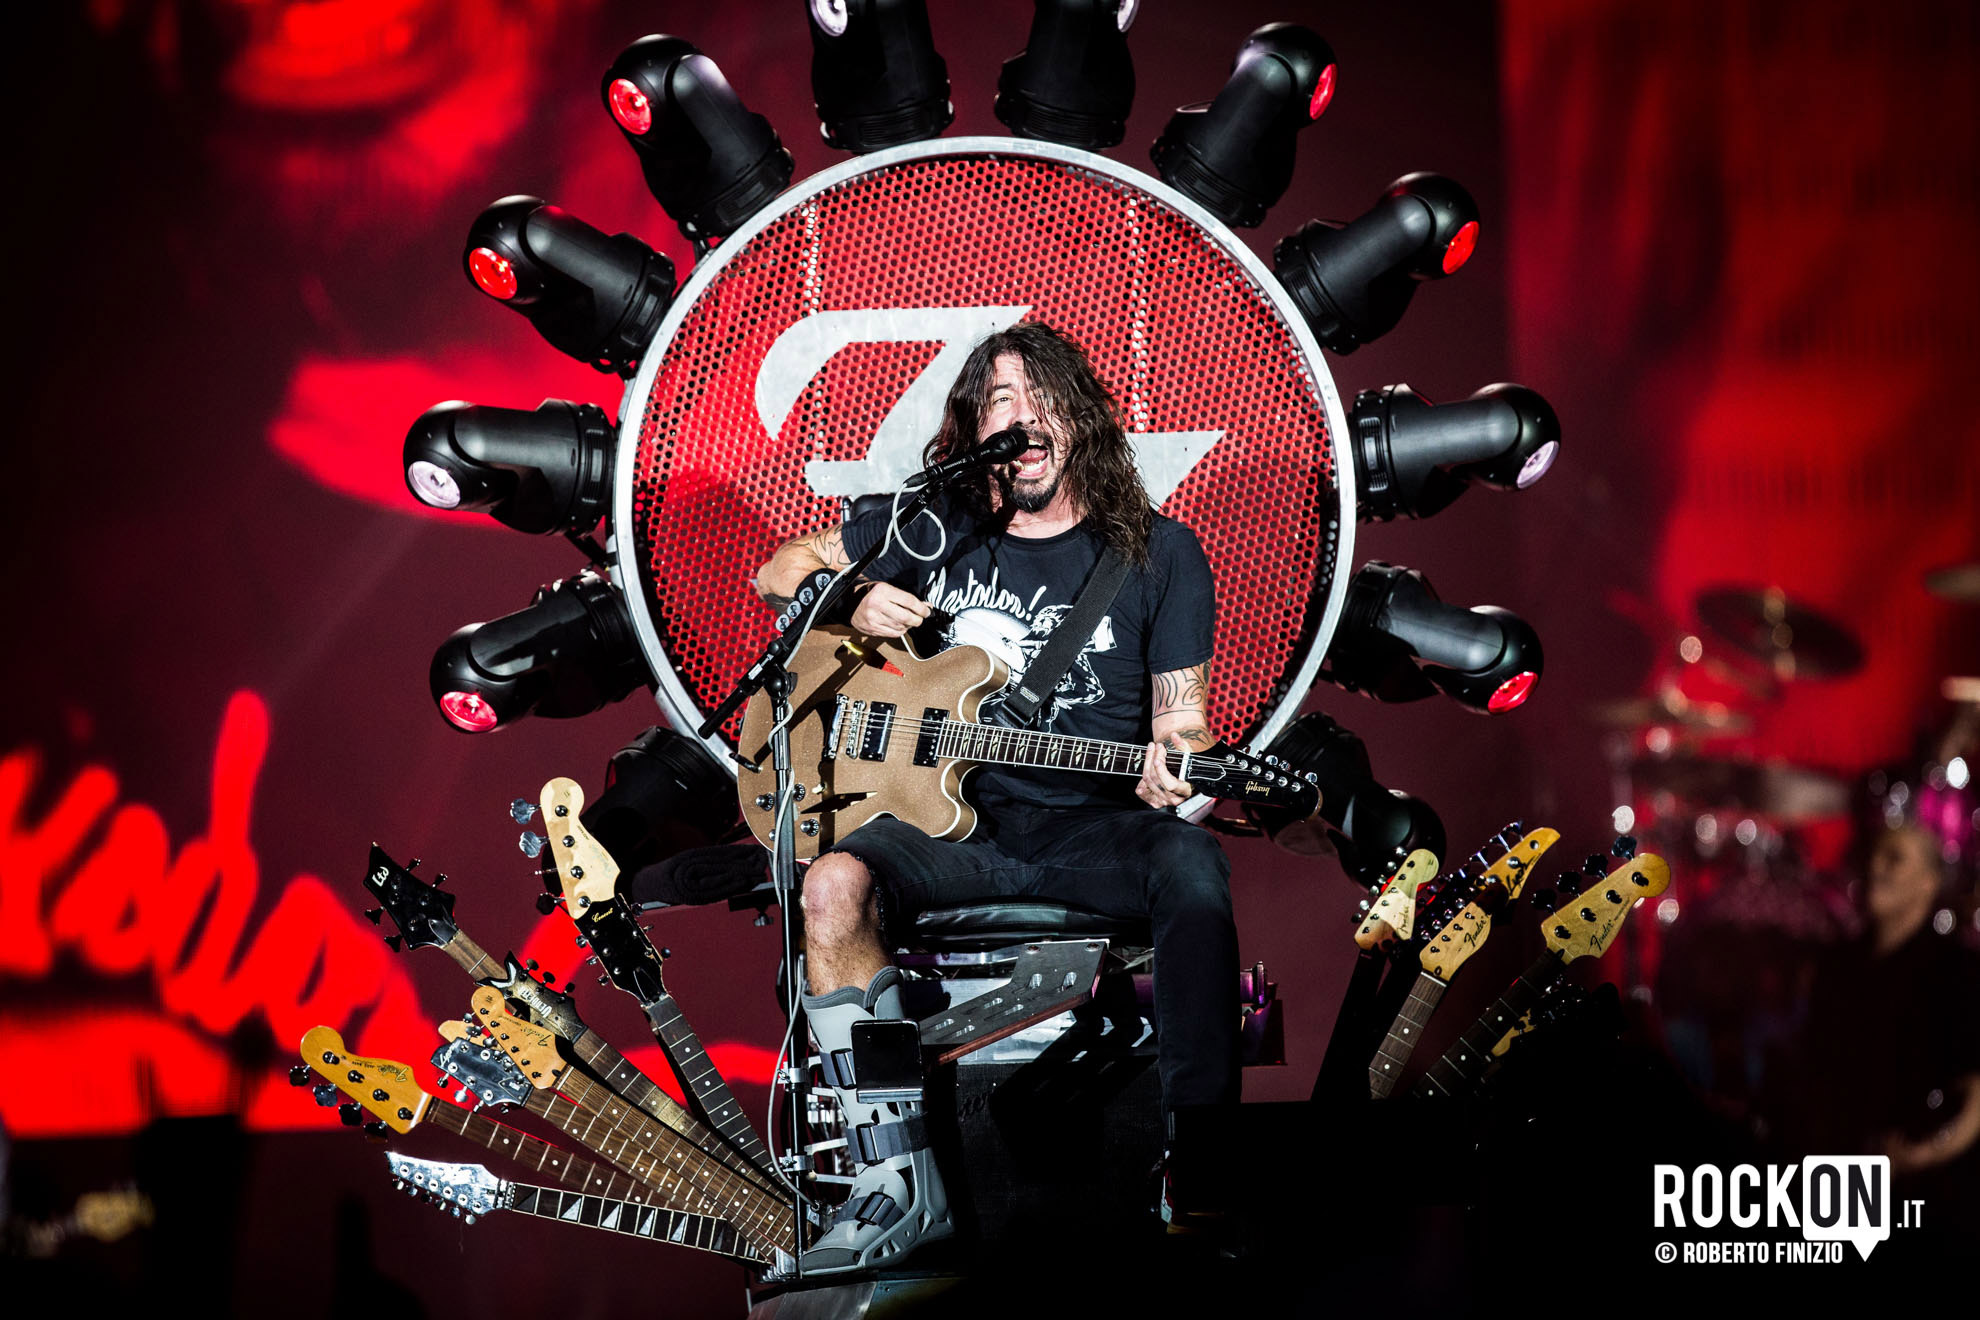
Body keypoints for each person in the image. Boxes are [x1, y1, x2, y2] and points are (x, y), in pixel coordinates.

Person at [753, 321, 1238, 1272]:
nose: (1021, 416)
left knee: (1192, 867)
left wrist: (1178, 766)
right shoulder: (935, 530)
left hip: (1094, 830)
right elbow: (779, 570)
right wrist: (848, 599)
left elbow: (1184, 723)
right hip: (950, 830)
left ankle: (1203, 1162)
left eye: (1039, 395)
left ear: (1080, 415)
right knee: (830, 887)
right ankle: (891, 1182)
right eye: (1000, 401)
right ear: (977, 429)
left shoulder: (1159, 553)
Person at [1777, 822, 1980, 1243]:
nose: (1876, 867)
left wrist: (1925, 1154)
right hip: (1838, 1169)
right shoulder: (1838, 964)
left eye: (1895, 858)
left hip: (1922, 1190)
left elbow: (1976, 1088)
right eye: (1875, 855)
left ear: (1928, 881)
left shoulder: (1956, 970)